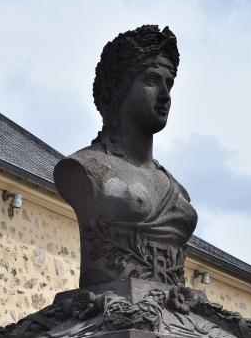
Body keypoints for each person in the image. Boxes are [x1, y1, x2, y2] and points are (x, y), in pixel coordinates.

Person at [53, 25, 198, 288]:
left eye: (169, 83)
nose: (165, 96)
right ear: (119, 88)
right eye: (152, 81)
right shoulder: (86, 169)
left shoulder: (177, 190)